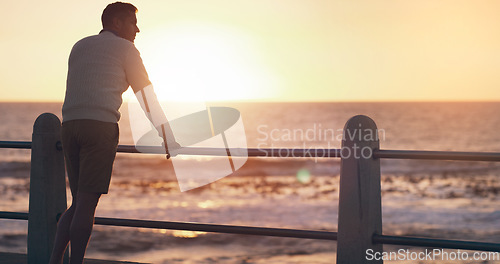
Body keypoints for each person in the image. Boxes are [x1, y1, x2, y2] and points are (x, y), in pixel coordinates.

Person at [49, 2, 178, 264]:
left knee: (77, 203)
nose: (137, 29)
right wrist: (166, 133)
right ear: (116, 23)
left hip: (70, 125)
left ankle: (54, 260)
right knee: (86, 205)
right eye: (132, 22)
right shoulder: (126, 49)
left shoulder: (80, 45)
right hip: (100, 127)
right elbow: (145, 95)